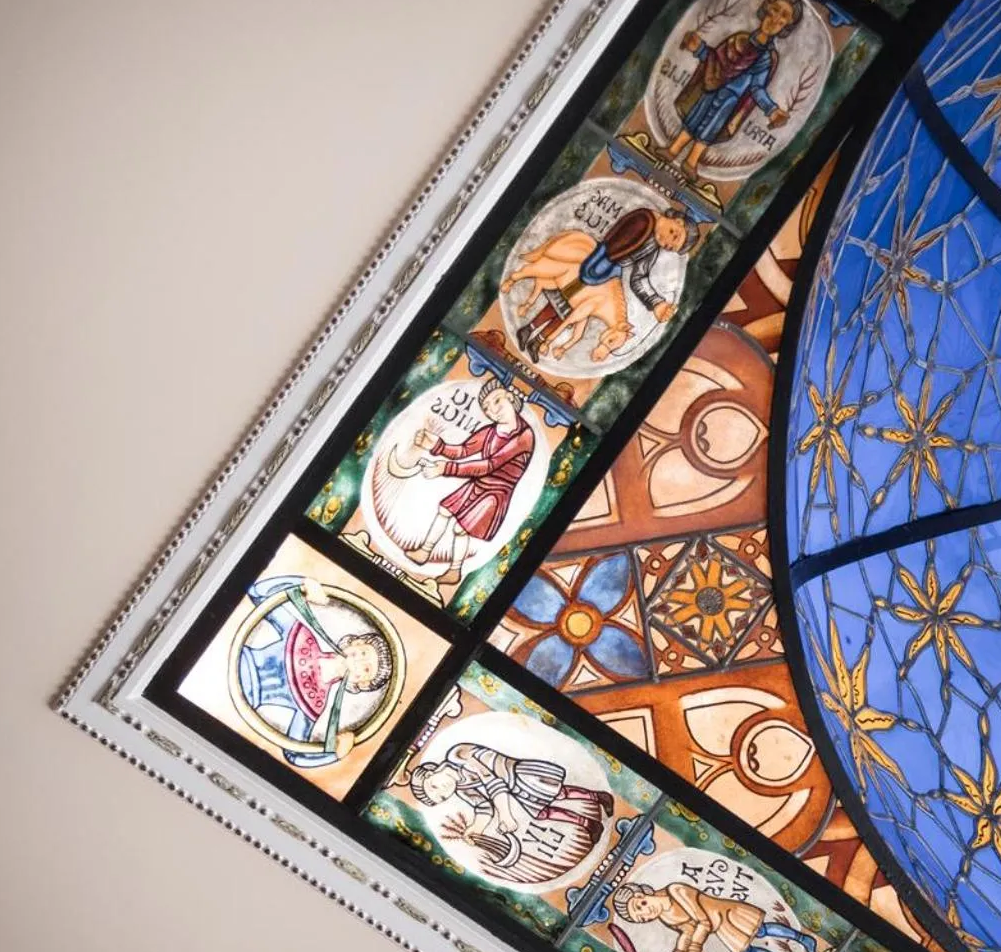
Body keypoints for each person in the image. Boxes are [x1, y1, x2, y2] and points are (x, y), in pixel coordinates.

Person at [236, 575, 394, 767]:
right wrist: (304, 583)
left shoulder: (314, 702)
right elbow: (259, 592)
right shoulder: (302, 636)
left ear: (361, 683)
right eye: (362, 652)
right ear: (353, 642)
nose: (358, 661)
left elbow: (294, 754)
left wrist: (337, 755)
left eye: (366, 668)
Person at [500, 208, 693, 364]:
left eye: (669, 247)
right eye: (674, 235)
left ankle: (538, 339)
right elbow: (616, 245)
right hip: (600, 263)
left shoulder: (653, 242)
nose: (667, 242)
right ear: (678, 221)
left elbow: (639, 276)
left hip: (609, 270)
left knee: (573, 309)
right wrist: (601, 269)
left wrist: (655, 303)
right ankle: (530, 329)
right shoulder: (645, 219)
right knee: (567, 300)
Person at [409, 741, 617, 886]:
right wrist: (475, 829)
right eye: (442, 797)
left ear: (431, 771)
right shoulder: (462, 789)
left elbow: (491, 780)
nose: (444, 791)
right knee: (542, 813)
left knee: (558, 794)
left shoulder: (457, 755)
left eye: (434, 787)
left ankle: (598, 797)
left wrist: (506, 814)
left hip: (517, 775)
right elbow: (482, 806)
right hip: (511, 791)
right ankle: (589, 824)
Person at [405, 378, 536, 587]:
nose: (493, 412)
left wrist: (445, 469)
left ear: (510, 398)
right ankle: (424, 551)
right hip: (479, 483)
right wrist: (436, 445)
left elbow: (490, 465)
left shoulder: (524, 435)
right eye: (487, 409)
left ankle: (454, 570)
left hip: (497, 492)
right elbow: (464, 450)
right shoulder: (490, 432)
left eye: (497, 402)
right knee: (445, 509)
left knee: (460, 529)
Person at [664, 0, 804, 179]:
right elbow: (716, 59)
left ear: (786, 26)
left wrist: (771, 110)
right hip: (711, 85)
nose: (775, 19)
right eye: (775, 10)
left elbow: (756, 88)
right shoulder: (739, 39)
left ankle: (691, 162)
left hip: (729, 99)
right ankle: (672, 150)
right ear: (766, 9)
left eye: (784, 16)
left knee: (709, 127)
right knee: (695, 119)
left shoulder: (765, 58)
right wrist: (699, 48)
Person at [608, 880, 818, 952]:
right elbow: (687, 931)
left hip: (724, 913)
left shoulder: (675, 890)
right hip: (719, 927)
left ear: (641, 893)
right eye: (643, 918)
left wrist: (695, 949)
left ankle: (803, 939)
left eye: (641, 905)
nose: (647, 912)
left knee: (761, 930)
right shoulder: (666, 917)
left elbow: (702, 920)